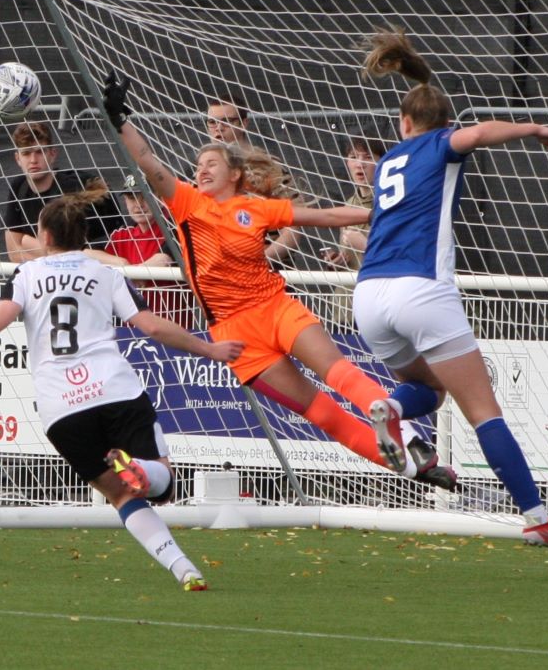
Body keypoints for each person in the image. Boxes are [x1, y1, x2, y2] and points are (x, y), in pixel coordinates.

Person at [103, 75, 457, 490]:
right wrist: (119, 119)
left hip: (275, 307)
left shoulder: (255, 207)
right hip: (236, 334)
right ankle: (411, 463)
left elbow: (325, 216)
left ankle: (405, 435)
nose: (201, 170)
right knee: (321, 413)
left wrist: (385, 211)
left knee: (338, 371)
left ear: (235, 173)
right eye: (198, 166)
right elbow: (147, 160)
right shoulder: (186, 203)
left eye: (210, 164)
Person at [0, 186, 244, 590]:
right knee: (162, 481)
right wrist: (210, 349)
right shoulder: (106, 274)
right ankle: (142, 471)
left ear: (44, 238)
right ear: (84, 237)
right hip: (115, 390)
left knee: (122, 496)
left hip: (62, 410)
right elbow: (150, 326)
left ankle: (184, 568)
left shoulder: (25, 275)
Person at [352, 27, 548, 554]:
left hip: (368, 293)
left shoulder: (388, 160)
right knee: (484, 411)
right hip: (420, 289)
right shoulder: (442, 142)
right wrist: (534, 128)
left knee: (428, 390)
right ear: (442, 123)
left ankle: (390, 407)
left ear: (402, 122)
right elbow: (474, 136)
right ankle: (537, 518)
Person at [2, 121, 120, 263]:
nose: (33, 160)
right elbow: (14, 253)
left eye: (40, 152)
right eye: (26, 153)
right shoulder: (19, 187)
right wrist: (51, 252)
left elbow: (75, 255)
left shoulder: (72, 188)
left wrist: (27, 242)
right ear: (18, 159)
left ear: (52, 154)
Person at [205, 94, 302, 264]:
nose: (218, 128)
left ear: (243, 123)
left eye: (227, 121)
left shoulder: (269, 166)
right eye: (212, 122)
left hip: (267, 269)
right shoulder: (201, 172)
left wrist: (261, 260)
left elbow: (294, 228)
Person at [99, 175, 194, 327]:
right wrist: (121, 263)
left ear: (159, 198)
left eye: (144, 197)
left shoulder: (175, 229)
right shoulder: (121, 235)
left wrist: (129, 275)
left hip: (173, 330)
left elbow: (163, 260)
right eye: (131, 198)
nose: (138, 205)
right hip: (130, 333)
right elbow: (84, 252)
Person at [321, 136, 382, 328]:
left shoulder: (392, 204)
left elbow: (399, 258)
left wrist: (364, 245)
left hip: (378, 311)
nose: (360, 164)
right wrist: (337, 261)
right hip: (345, 313)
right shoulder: (349, 204)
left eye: (368, 157)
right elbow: (350, 260)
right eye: (354, 157)